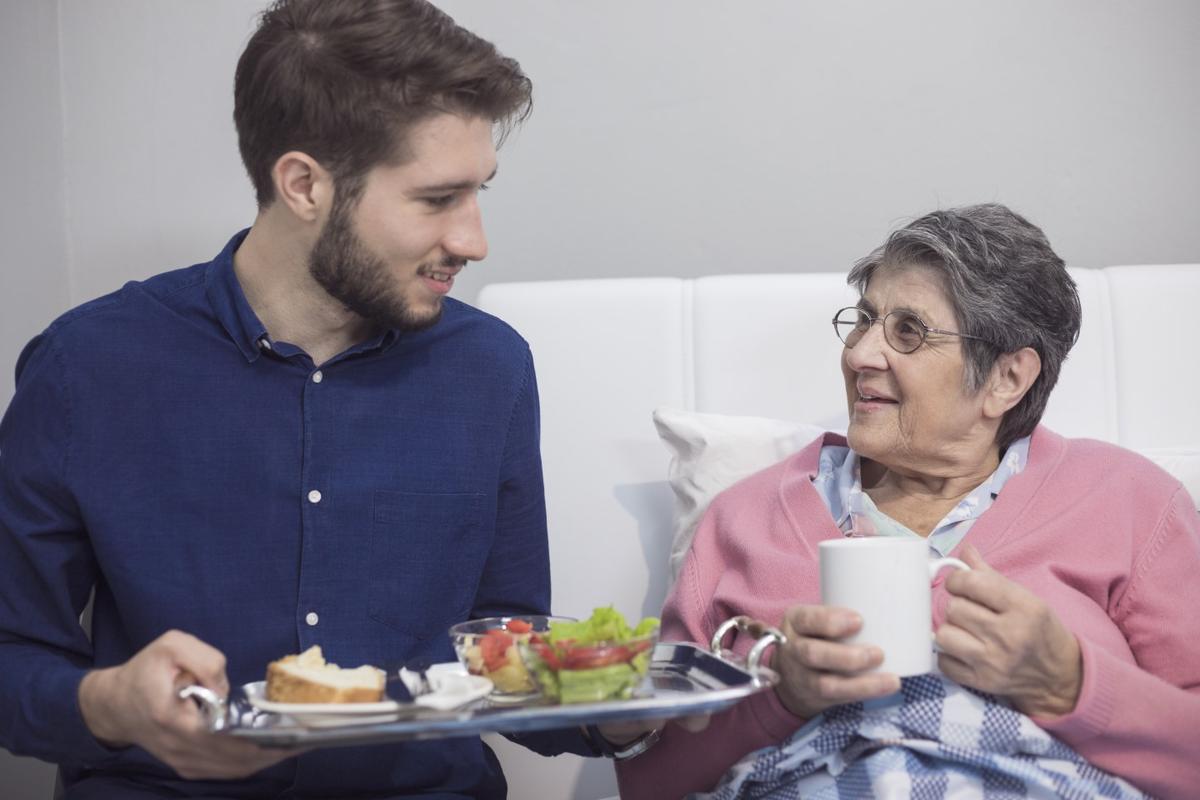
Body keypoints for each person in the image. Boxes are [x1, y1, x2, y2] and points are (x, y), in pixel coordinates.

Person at [0, 1, 615, 796]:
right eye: (437, 199)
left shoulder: (489, 367)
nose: (474, 241)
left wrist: (622, 711)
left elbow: (500, 650)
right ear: (303, 185)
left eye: (479, 193)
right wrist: (108, 701)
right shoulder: (87, 366)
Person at [616, 204, 1200, 799]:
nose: (860, 354)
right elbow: (651, 781)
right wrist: (781, 700)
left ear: (1007, 379)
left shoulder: (1130, 502)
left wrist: (1070, 685)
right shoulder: (742, 519)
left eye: (907, 332)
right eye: (864, 321)